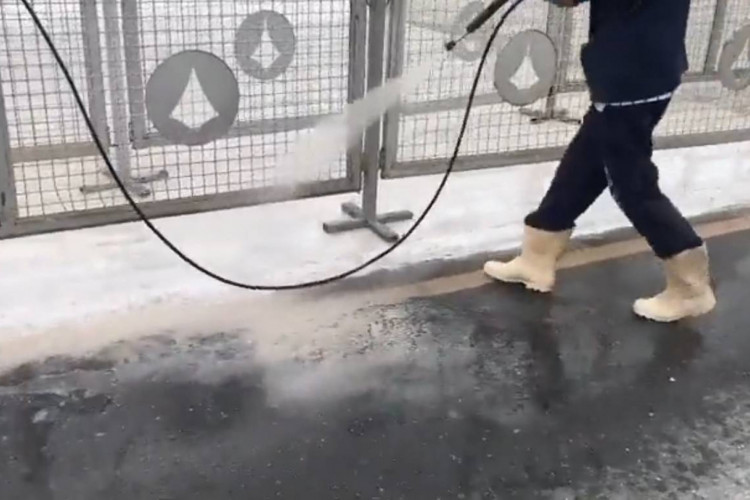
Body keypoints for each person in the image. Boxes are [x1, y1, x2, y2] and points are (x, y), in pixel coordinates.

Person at [483, 0, 717, 322]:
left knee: (632, 185)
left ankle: (691, 288)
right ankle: (536, 257)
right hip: (652, 64)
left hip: (629, 73)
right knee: (585, 164)